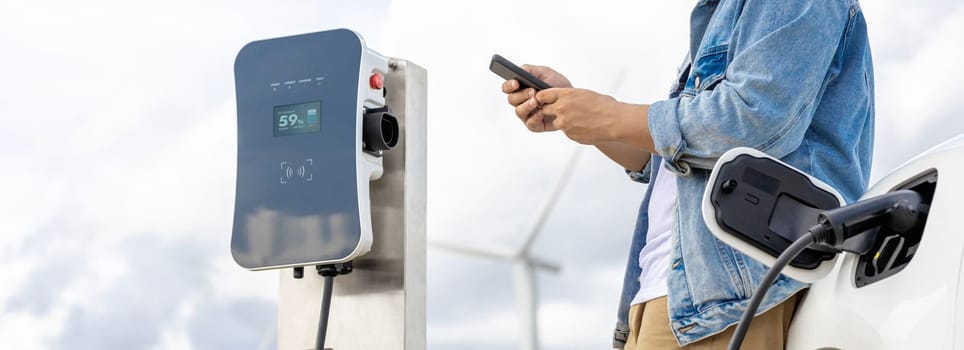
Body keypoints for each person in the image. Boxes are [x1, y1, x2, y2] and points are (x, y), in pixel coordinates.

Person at [499, 0, 874, 349]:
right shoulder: (720, 14)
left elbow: (754, 119)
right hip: (664, 296)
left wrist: (609, 115)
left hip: (725, 303)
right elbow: (678, 159)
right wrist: (581, 114)